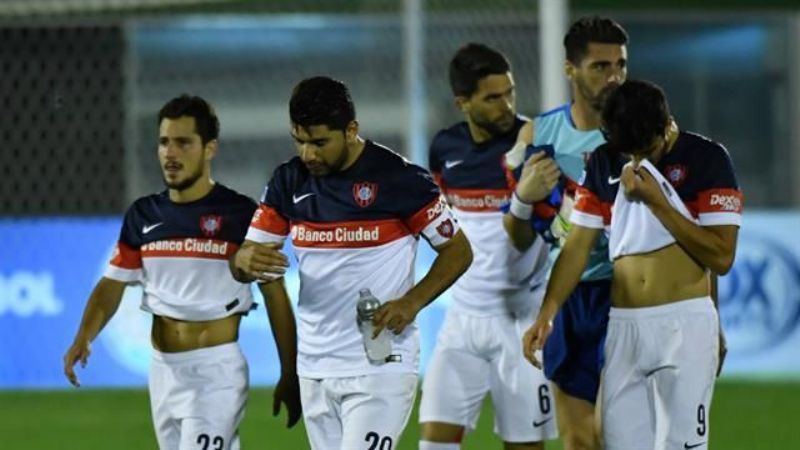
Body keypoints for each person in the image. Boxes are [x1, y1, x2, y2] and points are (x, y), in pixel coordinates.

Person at [231, 76, 473, 450]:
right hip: (315, 368)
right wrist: (243, 259)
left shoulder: (401, 179)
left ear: (351, 130)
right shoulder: (288, 182)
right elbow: (246, 261)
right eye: (300, 140)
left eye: (320, 142)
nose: (308, 154)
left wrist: (412, 302)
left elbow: (458, 251)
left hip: (380, 364)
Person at [63, 94, 301, 450]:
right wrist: (84, 335)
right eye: (164, 142)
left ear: (209, 148)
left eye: (183, 142)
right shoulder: (143, 216)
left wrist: (289, 372)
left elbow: (275, 296)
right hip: (162, 372)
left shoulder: (240, 215)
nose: (170, 153)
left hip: (215, 373)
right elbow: (113, 284)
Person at [523, 79, 742, 449]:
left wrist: (657, 201)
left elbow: (720, 257)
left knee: (682, 445)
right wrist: (547, 312)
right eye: (629, 153)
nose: (637, 161)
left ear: (665, 124)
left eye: (647, 150)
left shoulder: (708, 160)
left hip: (684, 327)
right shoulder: (605, 162)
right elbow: (576, 247)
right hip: (624, 327)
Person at [418, 43, 558, 450]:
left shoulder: (535, 146)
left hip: (521, 322)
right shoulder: (445, 149)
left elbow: (536, 231)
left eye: (510, 92)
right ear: (463, 102)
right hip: (461, 320)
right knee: (434, 443)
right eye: (493, 97)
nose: (507, 105)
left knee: (524, 445)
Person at [503, 16, 628, 450]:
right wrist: (523, 196)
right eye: (600, 66)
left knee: (628, 435)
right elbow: (519, 237)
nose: (614, 77)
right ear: (570, 69)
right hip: (570, 298)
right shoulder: (538, 135)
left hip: (630, 294)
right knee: (579, 440)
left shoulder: (643, 132)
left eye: (620, 66)